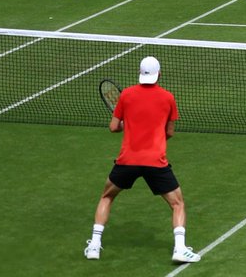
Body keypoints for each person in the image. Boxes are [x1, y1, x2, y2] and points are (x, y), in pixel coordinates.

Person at [84, 56, 202, 264]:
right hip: (156, 162)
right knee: (177, 204)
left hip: (127, 161)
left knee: (107, 197)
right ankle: (180, 249)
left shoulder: (127, 95)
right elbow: (170, 132)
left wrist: (127, 126)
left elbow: (113, 127)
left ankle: (94, 246)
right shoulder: (168, 98)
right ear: (159, 74)